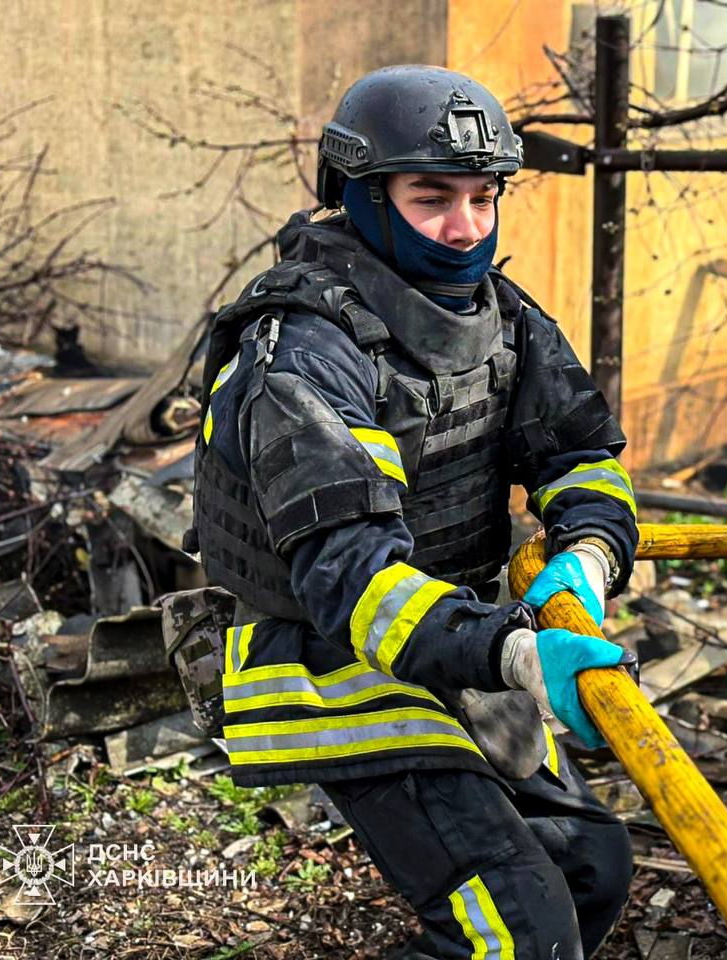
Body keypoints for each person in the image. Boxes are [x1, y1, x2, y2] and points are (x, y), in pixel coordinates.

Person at [183, 65, 640, 959]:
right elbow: (354, 586)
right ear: (361, 196)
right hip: (331, 668)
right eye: (432, 197)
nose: (465, 227)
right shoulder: (302, 357)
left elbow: (580, 454)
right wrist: (516, 652)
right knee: (512, 930)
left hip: (456, 640)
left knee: (589, 867)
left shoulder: (501, 318)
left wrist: (583, 558)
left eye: (483, 196)